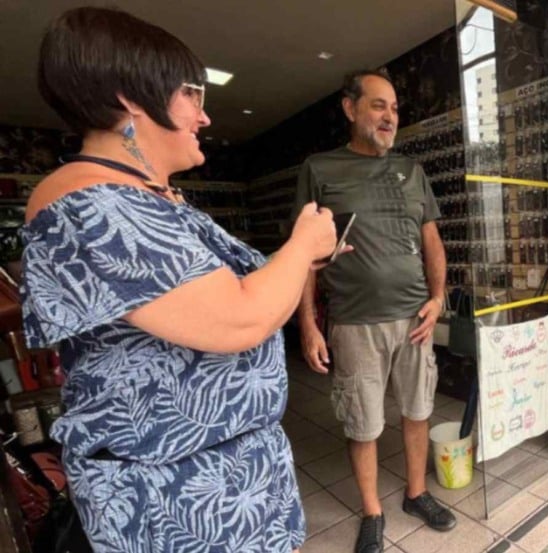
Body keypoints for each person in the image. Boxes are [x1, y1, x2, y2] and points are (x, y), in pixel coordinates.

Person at [19, 7, 342, 553]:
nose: (204, 116)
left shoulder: (152, 197)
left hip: (233, 478)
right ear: (129, 95)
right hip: (172, 497)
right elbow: (237, 317)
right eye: (192, 93)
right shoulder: (86, 202)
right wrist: (302, 244)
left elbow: (224, 296)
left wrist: (297, 263)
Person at [294, 69, 454, 553]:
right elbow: (304, 253)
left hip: (414, 319)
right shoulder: (320, 169)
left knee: (418, 410)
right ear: (351, 109)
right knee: (362, 423)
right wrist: (307, 321)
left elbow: (433, 242)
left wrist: (438, 296)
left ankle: (416, 493)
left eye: (395, 109)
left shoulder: (412, 172)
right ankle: (372, 511)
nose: (390, 117)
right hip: (354, 323)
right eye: (379, 105)